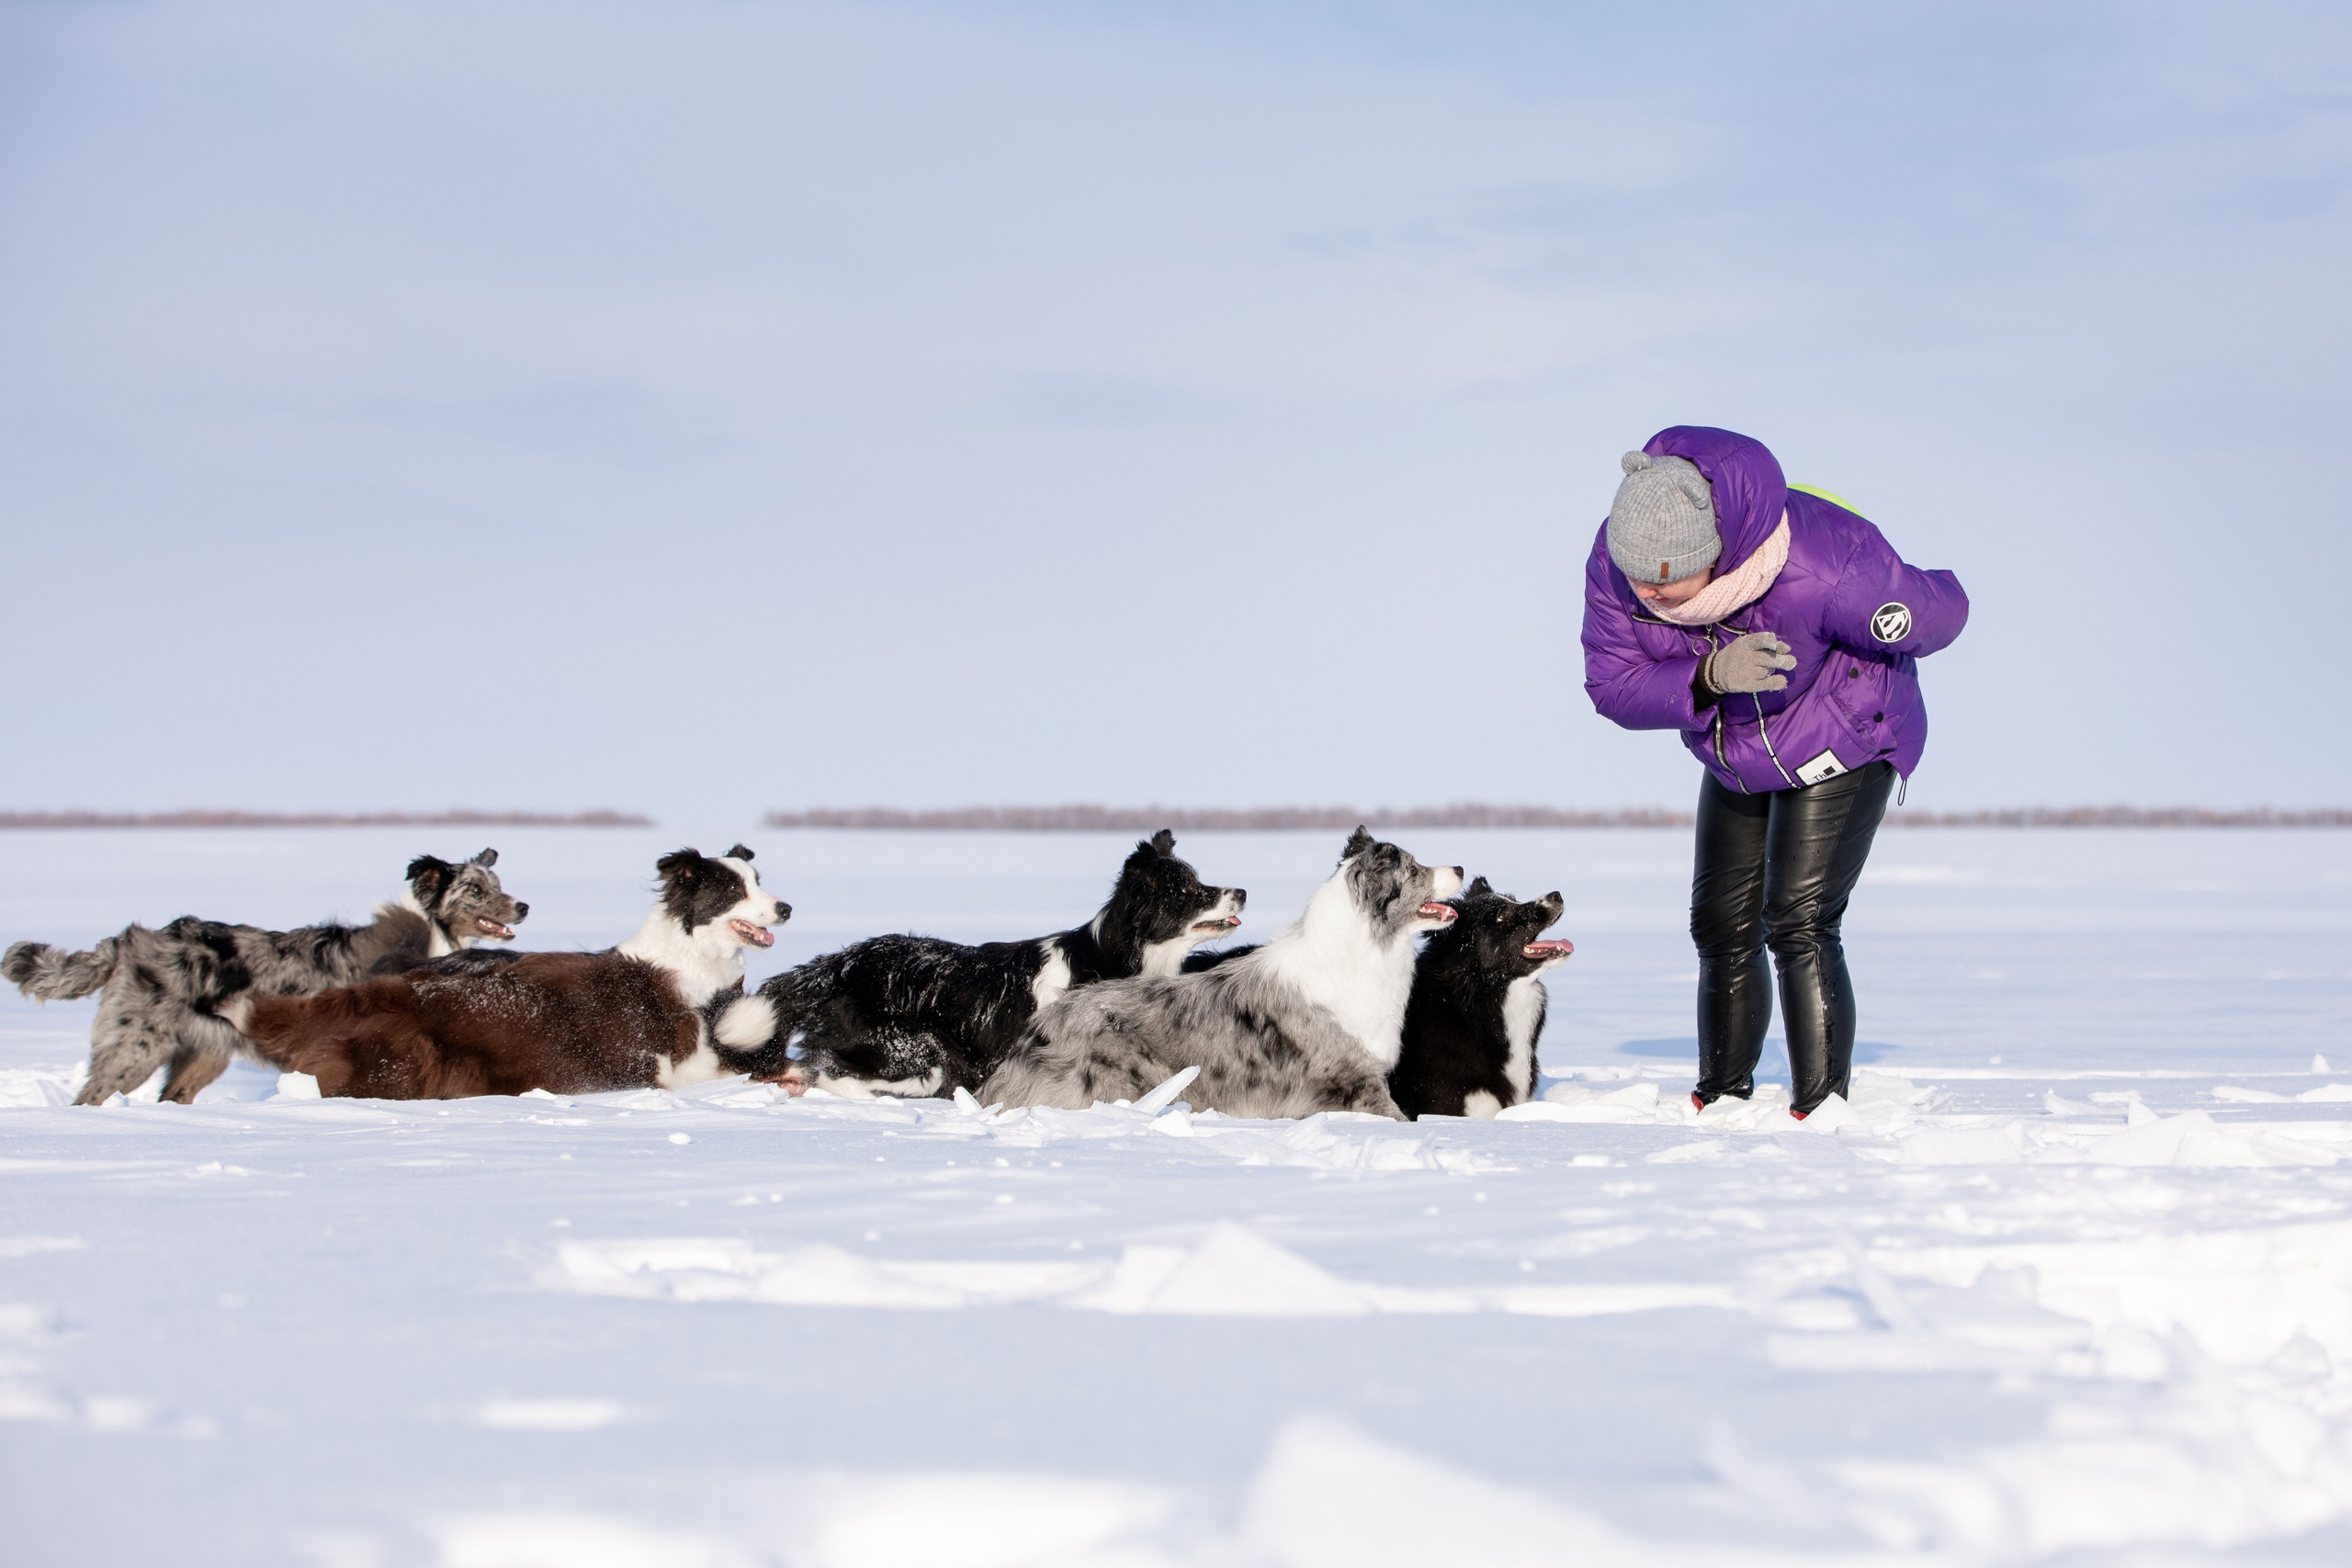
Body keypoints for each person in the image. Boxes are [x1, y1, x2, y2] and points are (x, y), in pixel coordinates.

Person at [1580, 425, 1967, 1116]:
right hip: (1738, 746)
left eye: (1667, 581)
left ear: (1715, 554)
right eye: (1638, 578)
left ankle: (1820, 1111)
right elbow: (1613, 685)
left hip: (1846, 732)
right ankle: (1722, 1097)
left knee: (1799, 918)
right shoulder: (1620, 562)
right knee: (1720, 922)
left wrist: (1917, 601)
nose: (1649, 595)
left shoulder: (1824, 564)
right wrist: (1704, 674)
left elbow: (1936, 613)